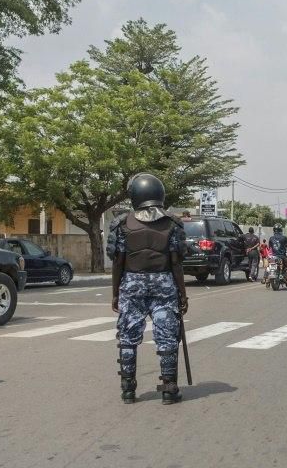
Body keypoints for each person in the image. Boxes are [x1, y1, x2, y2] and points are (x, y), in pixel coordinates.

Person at [106, 173, 187, 405]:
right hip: (164, 285)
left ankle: (128, 390)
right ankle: (169, 390)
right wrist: (183, 294)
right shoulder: (172, 223)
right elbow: (176, 263)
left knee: (128, 339)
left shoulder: (121, 224)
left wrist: (115, 293)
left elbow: (118, 262)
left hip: (132, 285)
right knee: (168, 339)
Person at [268, 224, 287, 289]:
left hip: (273, 257)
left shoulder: (271, 238)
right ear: (281, 230)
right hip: (282, 256)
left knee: (268, 267)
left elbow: (270, 248)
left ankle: (267, 280)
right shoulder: (284, 238)